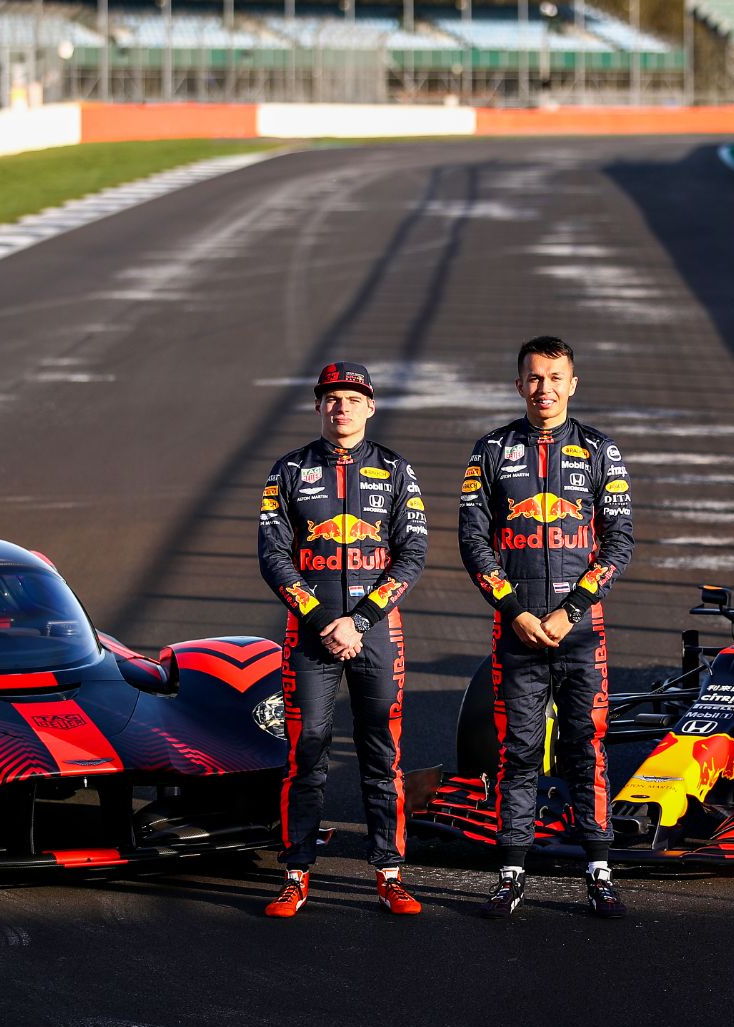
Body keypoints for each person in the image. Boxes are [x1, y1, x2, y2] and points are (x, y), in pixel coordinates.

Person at [458, 336, 634, 919]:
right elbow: (473, 542)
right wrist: (518, 612)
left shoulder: (602, 452)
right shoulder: (489, 451)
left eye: (556, 378)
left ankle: (600, 870)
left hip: (582, 632)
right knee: (519, 751)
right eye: (534, 378)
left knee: (588, 748)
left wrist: (570, 611)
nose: (545, 389)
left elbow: (619, 544)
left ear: (573, 384)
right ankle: (510, 872)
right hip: (517, 629)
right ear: (518, 385)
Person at [257, 362, 430, 918]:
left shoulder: (397, 470)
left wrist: (360, 620)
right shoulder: (288, 470)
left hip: (378, 632)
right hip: (309, 634)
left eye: (353, 399)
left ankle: (390, 873)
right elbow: (272, 556)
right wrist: (319, 617)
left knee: (383, 754)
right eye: (333, 399)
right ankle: (296, 873)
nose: (343, 408)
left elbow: (413, 554)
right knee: (307, 755)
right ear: (318, 407)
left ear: (370, 407)